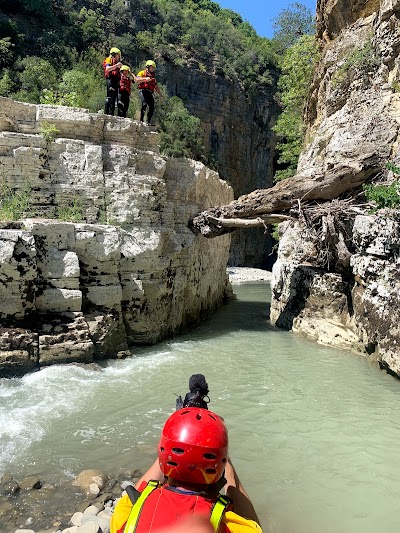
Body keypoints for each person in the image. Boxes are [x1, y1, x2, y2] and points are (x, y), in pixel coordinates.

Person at [110, 407, 262, 533]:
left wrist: (172, 447)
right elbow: (255, 527)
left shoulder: (130, 509)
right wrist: (227, 461)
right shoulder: (225, 522)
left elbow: (136, 494)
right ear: (219, 463)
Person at [136, 59, 163, 125]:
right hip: (143, 91)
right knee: (144, 104)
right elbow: (137, 80)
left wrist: (160, 95)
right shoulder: (142, 73)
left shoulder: (153, 77)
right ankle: (141, 120)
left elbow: (156, 87)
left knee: (152, 106)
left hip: (150, 92)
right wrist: (145, 79)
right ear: (148, 67)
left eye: (153, 68)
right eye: (152, 67)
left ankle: (148, 121)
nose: (153, 69)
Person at [103, 47, 123, 115]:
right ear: (114, 54)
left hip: (115, 80)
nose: (119, 56)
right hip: (110, 79)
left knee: (114, 99)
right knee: (109, 97)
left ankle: (111, 114)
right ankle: (106, 113)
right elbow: (107, 69)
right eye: (118, 55)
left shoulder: (117, 62)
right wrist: (116, 65)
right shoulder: (109, 59)